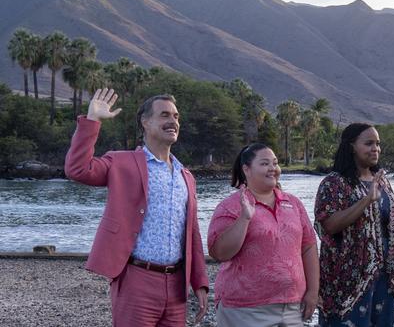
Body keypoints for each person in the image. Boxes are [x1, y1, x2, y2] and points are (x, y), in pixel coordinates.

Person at [64, 88, 209, 326]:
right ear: (145, 122)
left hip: (176, 285)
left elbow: (192, 232)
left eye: (176, 116)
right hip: (136, 279)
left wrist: (200, 282)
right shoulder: (122, 162)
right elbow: (77, 169)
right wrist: (92, 120)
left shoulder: (186, 176)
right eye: (164, 115)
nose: (173, 121)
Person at [208, 143, 319, 326]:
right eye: (265, 163)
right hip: (245, 309)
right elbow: (220, 253)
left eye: (275, 163)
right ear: (246, 169)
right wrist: (244, 218)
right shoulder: (231, 206)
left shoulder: (293, 203)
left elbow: (308, 246)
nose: (272, 169)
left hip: (291, 307)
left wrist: (313, 292)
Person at [314, 123, 394, 327]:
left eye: (378, 144)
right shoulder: (334, 183)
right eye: (369, 143)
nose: (376, 149)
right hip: (347, 280)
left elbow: (389, 225)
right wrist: (365, 201)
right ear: (352, 146)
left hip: (385, 277)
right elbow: (329, 225)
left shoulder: (382, 181)